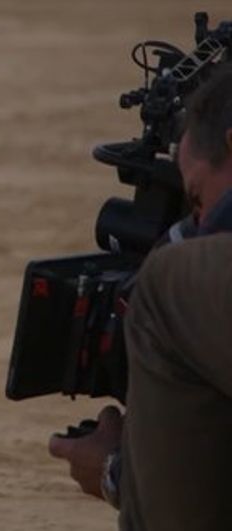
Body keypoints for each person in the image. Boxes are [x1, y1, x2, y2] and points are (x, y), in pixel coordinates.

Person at [48, 62, 232, 530]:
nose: (194, 226)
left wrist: (117, 473)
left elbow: (181, 512)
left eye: (196, 199)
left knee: (167, 281)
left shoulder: (179, 279)